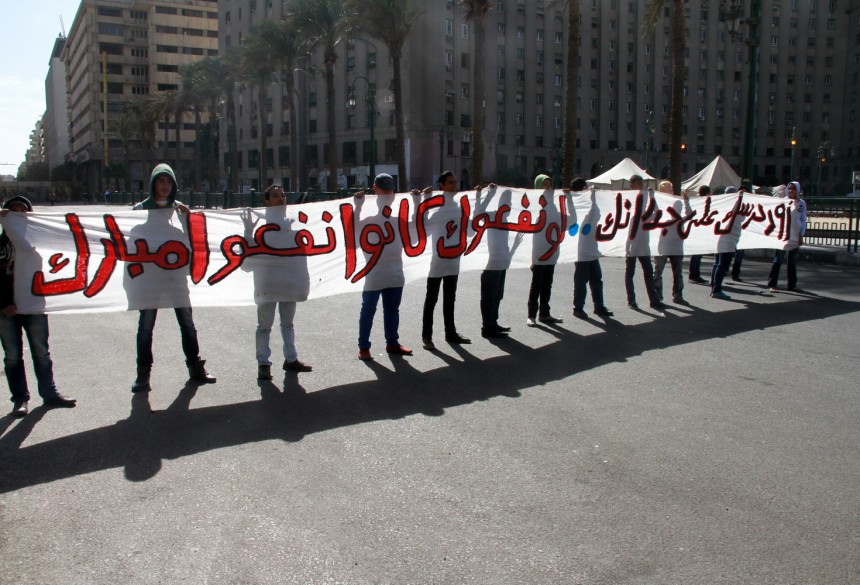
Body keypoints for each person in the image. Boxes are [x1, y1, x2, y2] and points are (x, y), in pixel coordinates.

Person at [130, 163, 216, 392]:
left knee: (187, 323)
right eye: (161, 181)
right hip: (150, 280)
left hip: (176, 278)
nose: (165, 186)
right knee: (146, 326)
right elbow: (131, 245)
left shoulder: (180, 210)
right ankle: (143, 374)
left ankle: (195, 366)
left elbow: (193, 241)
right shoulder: (140, 209)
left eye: (169, 182)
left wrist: (186, 220)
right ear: (153, 183)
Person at [0, 196, 76, 417]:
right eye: (13, 211)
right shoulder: (1, 244)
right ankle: (20, 399)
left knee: (41, 352)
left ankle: (49, 393)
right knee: (12, 355)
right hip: (6, 309)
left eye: (23, 211)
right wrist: (3, 303)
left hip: (34, 305)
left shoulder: (40, 240)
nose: (18, 215)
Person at [253, 185, 312, 380]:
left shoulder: (292, 222)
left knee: (288, 324)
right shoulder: (260, 225)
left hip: (289, 282)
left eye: (283, 195)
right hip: (267, 283)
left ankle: (291, 359)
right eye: (276, 196)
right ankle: (263, 364)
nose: (281, 199)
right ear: (267, 202)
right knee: (264, 326)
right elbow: (249, 254)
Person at [356, 173, 412, 360]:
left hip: (395, 272)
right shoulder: (369, 220)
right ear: (375, 190)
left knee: (392, 309)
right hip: (374, 273)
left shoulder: (398, 221)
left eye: (390, 191)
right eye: (384, 190)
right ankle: (364, 347)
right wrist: (357, 206)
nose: (388, 195)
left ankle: (392, 342)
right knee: (368, 310)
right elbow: (352, 233)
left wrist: (420, 201)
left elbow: (420, 228)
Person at [420, 171, 471, 349]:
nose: (454, 185)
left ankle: (451, 333)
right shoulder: (437, 210)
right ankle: (427, 337)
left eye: (455, 182)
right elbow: (424, 228)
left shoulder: (460, 208)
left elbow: (470, 230)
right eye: (450, 182)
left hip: (454, 262)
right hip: (437, 262)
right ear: (441, 185)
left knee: (450, 299)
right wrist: (423, 200)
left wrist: (481, 198)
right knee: (431, 300)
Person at [569, 177, 613, 319]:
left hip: (592, 249)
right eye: (585, 187)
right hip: (581, 251)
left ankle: (598, 306)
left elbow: (598, 214)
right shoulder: (576, 204)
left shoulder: (589, 203)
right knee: (581, 280)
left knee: (596, 279)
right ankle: (578, 307)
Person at [526, 174, 564, 326]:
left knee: (547, 284)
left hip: (551, 251)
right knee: (536, 285)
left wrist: (569, 198)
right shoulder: (534, 205)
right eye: (544, 184)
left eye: (549, 184)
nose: (548, 187)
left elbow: (567, 220)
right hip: (539, 253)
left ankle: (544, 313)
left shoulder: (554, 206)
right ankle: (531, 315)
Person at [624, 175, 664, 310]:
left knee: (648, 272)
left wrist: (652, 196)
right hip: (632, 245)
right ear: (631, 186)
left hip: (643, 246)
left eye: (641, 184)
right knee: (630, 273)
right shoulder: (629, 205)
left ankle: (654, 300)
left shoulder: (644, 214)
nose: (641, 187)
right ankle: (631, 300)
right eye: (638, 184)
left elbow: (656, 213)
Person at [767, 181, 806, 292]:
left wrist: (801, 234)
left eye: (793, 189)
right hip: (784, 234)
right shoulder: (783, 201)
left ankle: (792, 284)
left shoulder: (801, 203)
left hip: (795, 234)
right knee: (778, 259)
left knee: (792, 261)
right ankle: (772, 284)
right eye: (789, 188)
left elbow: (803, 219)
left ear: (797, 190)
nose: (791, 191)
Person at [652, 180, 686, 304]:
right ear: (660, 191)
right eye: (667, 189)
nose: (670, 191)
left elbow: (685, 215)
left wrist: (686, 201)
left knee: (678, 272)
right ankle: (657, 297)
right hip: (663, 243)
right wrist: (652, 196)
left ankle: (678, 295)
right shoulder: (658, 204)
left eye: (671, 189)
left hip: (676, 243)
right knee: (658, 271)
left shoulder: (678, 202)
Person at [709, 186, 738, 300]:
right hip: (727, 240)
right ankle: (716, 289)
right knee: (722, 264)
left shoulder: (722, 204)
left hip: (720, 238)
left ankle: (714, 287)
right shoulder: (732, 205)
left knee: (717, 263)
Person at [730, 179, 754, 281]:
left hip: (743, 233)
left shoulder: (750, 205)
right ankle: (723, 271)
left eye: (745, 193)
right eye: (741, 193)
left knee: (739, 255)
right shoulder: (734, 203)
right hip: (732, 232)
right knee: (728, 253)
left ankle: (735, 274)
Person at [688, 185, 710, 284]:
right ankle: (694, 274)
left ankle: (694, 274)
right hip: (698, 231)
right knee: (697, 255)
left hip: (698, 230)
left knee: (697, 254)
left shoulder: (697, 202)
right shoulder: (703, 203)